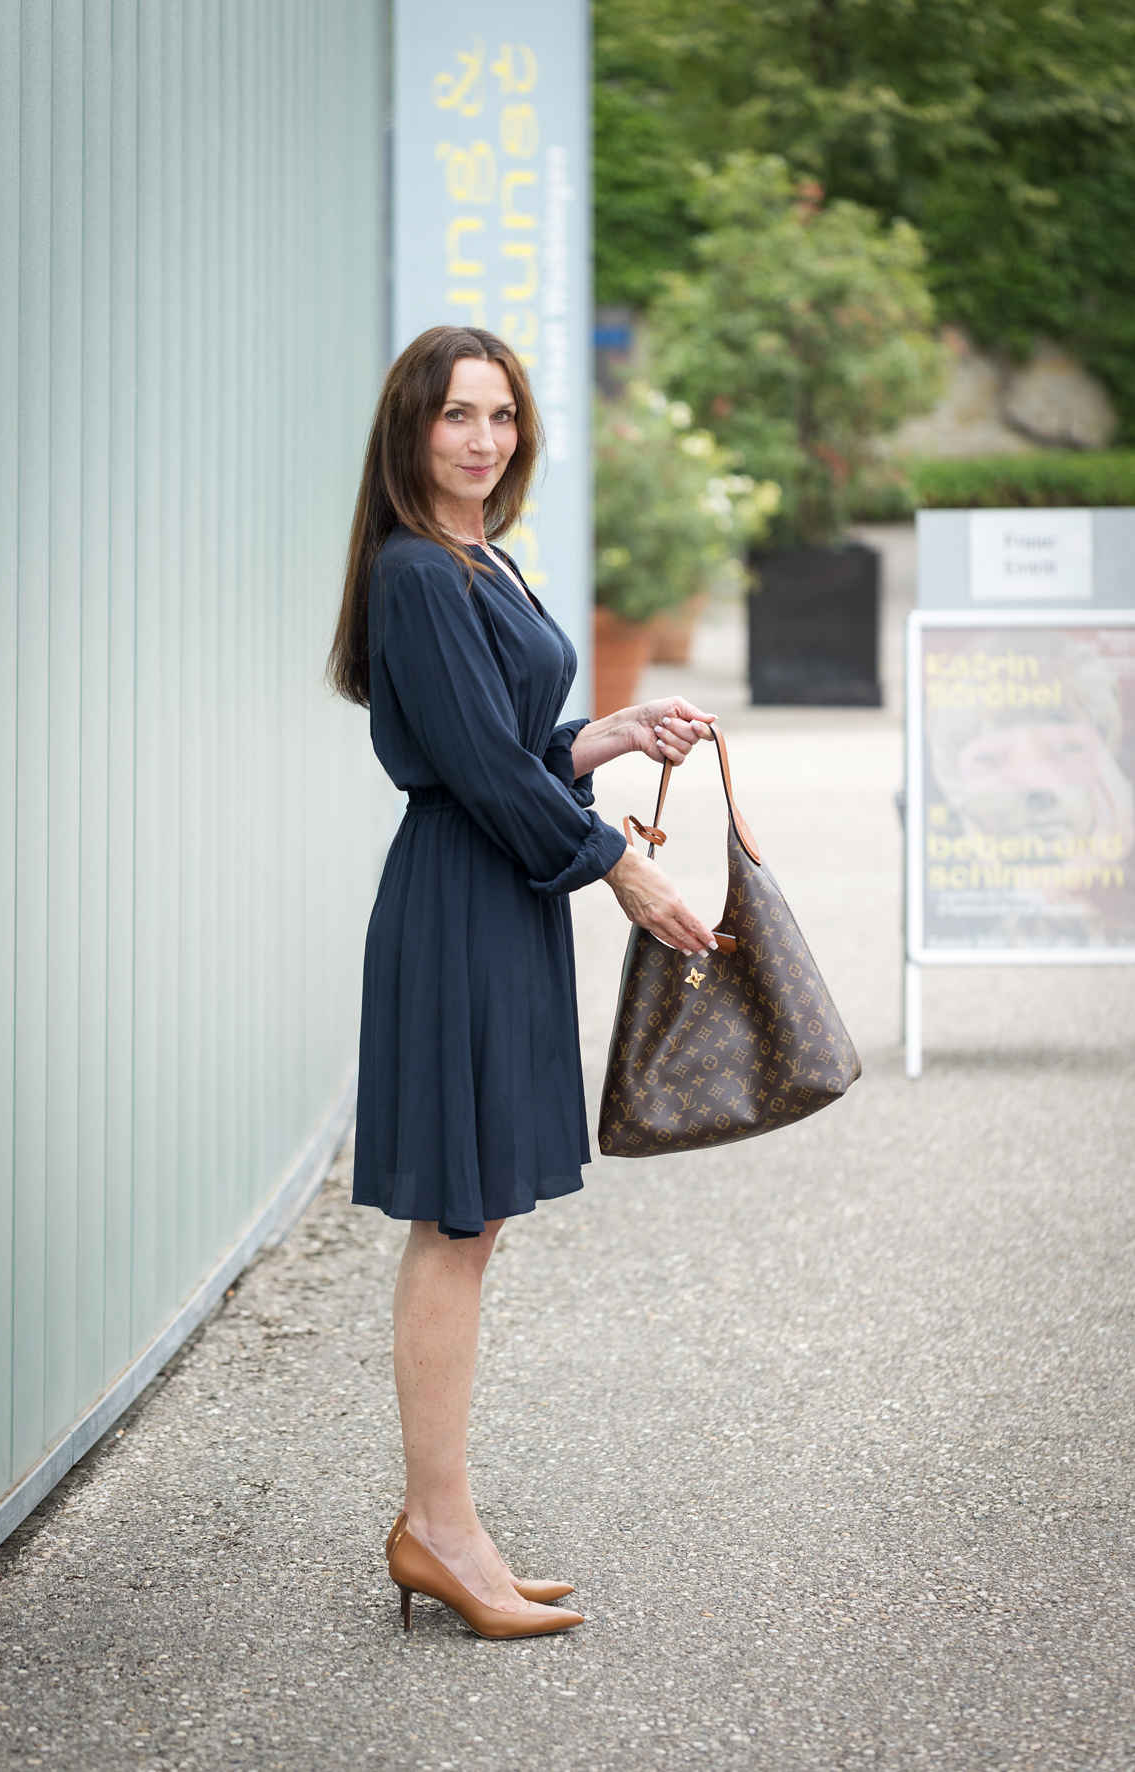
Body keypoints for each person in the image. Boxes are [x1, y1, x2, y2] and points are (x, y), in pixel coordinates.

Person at [327, 325, 718, 1640]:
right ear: (409, 432)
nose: (481, 439)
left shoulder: (476, 555)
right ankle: (436, 1530)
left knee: (476, 1219)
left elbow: (511, 746)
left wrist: (602, 737)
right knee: (455, 1220)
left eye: (498, 416)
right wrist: (623, 870)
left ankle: (448, 1527)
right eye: (454, 417)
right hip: (459, 901)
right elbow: (483, 781)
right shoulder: (415, 573)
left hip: (496, 894)